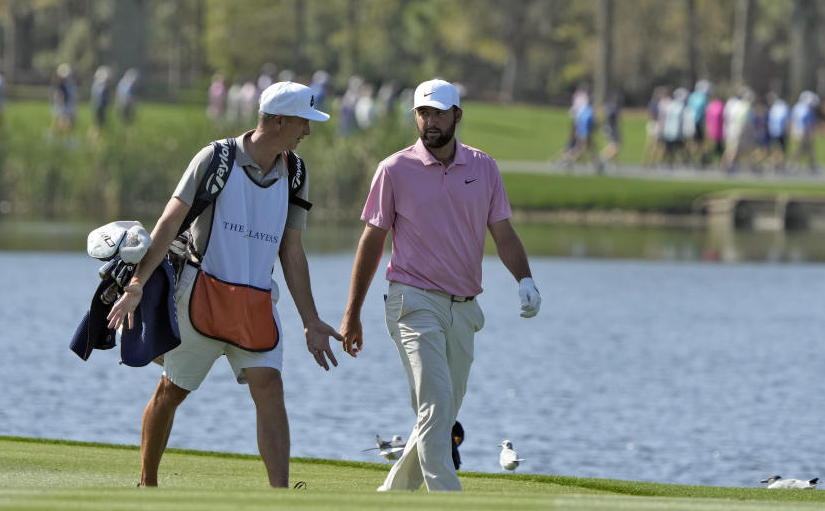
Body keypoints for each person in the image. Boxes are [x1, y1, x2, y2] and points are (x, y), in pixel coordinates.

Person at [106, 81, 342, 488]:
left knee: (270, 388)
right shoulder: (215, 158)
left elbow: (292, 251)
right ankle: (148, 484)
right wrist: (137, 284)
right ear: (280, 120)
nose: (308, 131)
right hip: (200, 299)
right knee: (172, 391)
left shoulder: (296, 172)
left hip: (256, 306)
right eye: (303, 123)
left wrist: (310, 319)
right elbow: (169, 223)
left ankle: (280, 493)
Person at [338, 78, 542, 492]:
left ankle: (392, 496)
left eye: (438, 113)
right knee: (434, 404)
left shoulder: (483, 167)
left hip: (464, 308)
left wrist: (525, 279)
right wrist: (352, 313)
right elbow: (372, 242)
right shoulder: (394, 169)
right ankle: (449, 498)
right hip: (412, 302)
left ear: (457, 116)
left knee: (441, 413)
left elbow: (503, 233)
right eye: (422, 113)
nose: (429, 122)